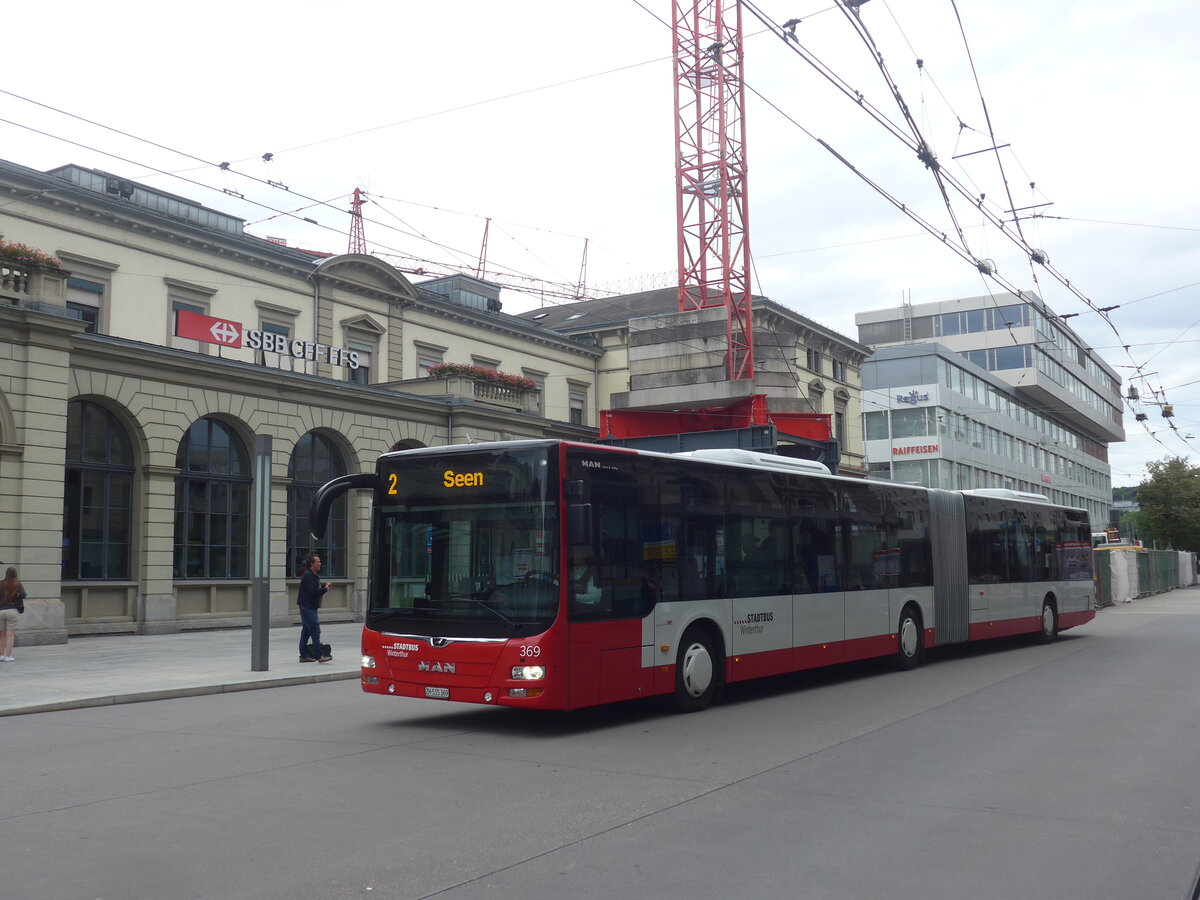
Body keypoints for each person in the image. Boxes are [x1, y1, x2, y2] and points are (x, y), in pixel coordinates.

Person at [297, 552, 331, 663]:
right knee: (315, 631)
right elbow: (313, 592)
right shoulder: (308, 575)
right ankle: (319, 655)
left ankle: (303, 656)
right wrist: (325, 589)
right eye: (318, 562)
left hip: (308, 607)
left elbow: (313, 588)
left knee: (306, 632)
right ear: (312, 564)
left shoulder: (312, 575)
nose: (320, 563)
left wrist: (323, 587)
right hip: (308, 608)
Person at [1, 566, 27, 662]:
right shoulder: (17, 583)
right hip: (12, 610)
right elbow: (24, 595)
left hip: (1, 611)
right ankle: (8, 656)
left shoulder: (1, 583)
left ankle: (1, 655)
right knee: (10, 634)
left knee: (2, 634)